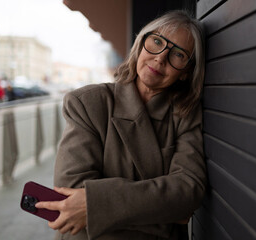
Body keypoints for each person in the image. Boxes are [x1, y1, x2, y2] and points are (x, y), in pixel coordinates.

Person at [35, 10, 206, 240]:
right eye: (157, 41)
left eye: (177, 54)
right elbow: (70, 196)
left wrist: (95, 207)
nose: (161, 58)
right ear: (140, 44)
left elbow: (188, 190)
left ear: (186, 72)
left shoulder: (184, 114)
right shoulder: (88, 103)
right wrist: (164, 215)